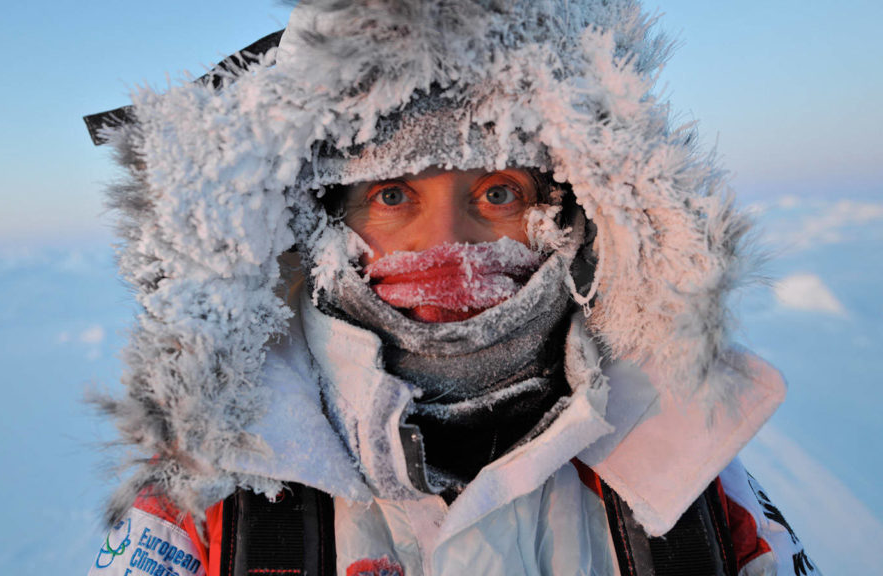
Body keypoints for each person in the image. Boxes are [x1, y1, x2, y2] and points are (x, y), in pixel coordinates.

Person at [83, 0, 819, 574]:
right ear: (321, 226)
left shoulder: (679, 464)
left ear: (571, 212)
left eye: (497, 193)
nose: (447, 247)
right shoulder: (211, 489)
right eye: (395, 197)